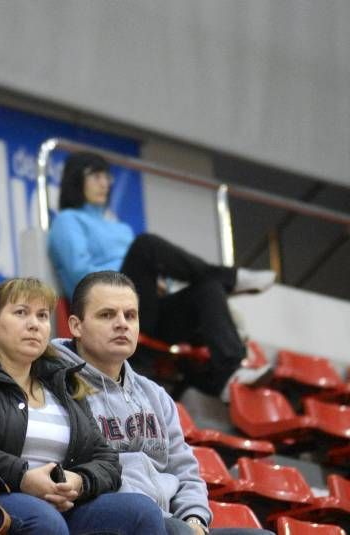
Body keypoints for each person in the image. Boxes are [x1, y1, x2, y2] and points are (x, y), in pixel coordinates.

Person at [0, 277, 166, 535]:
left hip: (61, 506)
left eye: (43, 316)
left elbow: (106, 459)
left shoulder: (63, 382)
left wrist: (79, 482)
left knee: (141, 512)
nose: (34, 324)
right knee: (45, 521)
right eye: (21, 313)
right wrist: (22, 476)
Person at [51, 271, 275, 535]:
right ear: (76, 326)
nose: (122, 324)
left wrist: (195, 519)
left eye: (130, 316)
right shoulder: (58, 384)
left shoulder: (155, 395)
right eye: (107, 315)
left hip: (167, 521)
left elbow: (185, 471)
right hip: (100, 513)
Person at [47, 151, 275, 400]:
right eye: (95, 176)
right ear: (75, 180)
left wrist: (161, 284)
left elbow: (147, 273)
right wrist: (127, 278)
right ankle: (230, 277)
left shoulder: (120, 228)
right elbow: (80, 276)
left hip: (145, 310)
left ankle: (231, 370)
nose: (105, 183)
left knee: (207, 288)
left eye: (106, 176)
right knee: (146, 246)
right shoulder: (67, 222)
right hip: (107, 303)